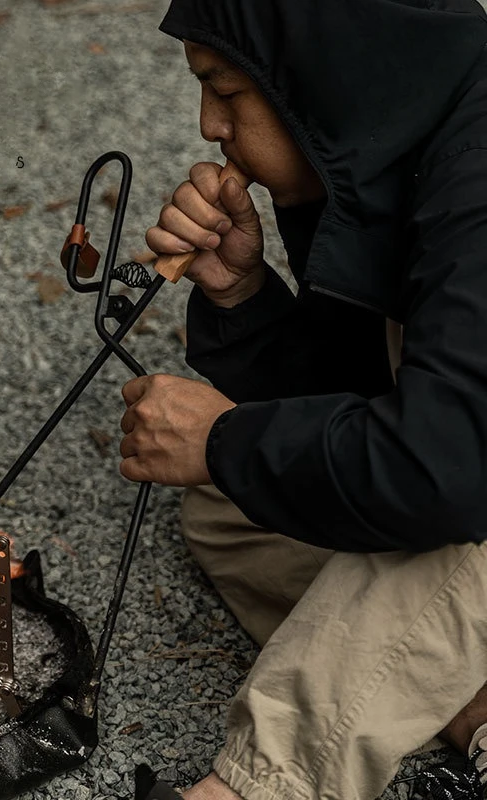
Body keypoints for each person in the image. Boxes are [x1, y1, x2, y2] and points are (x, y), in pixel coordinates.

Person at [117, 1, 487, 798]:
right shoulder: (401, 146)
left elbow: (448, 471)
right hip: (457, 458)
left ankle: (256, 787)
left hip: (468, 477)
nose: (210, 125)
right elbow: (370, 400)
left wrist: (221, 440)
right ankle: (471, 707)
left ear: (325, 81)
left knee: (449, 530)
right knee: (226, 509)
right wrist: (243, 299)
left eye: (228, 91)